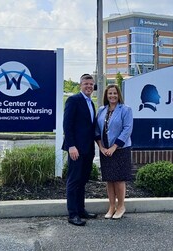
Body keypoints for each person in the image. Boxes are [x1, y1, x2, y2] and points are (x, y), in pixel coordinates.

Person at [62, 73, 98, 226]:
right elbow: (67, 125)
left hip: (88, 149)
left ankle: (81, 209)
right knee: (74, 181)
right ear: (80, 85)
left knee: (82, 181)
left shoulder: (91, 103)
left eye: (91, 84)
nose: (89, 86)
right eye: (86, 84)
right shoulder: (74, 100)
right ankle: (73, 214)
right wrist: (71, 146)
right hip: (75, 149)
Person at [95, 84, 133, 219]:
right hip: (105, 150)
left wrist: (114, 147)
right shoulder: (101, 110)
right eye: (110, 93)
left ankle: (121, 206)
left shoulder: (126, 110)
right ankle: (111, 206)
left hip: (120, 149)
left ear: (119, 95)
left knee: (118, 179)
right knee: (109, 180)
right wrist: (101, 147)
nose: (112, 96)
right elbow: (97, 130)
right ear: (106, 95)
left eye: (115, 93)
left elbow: (127, 129)